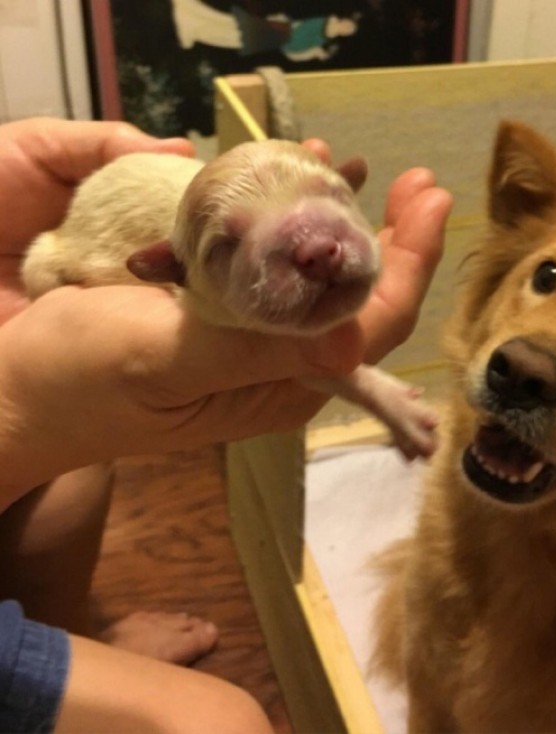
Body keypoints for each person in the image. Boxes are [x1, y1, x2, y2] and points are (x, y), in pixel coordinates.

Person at [0, 117, 452, 733]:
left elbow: (312, 349)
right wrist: (22, 400)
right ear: (172, 272)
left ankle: (77, 633)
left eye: (331, 198)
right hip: (71, 261)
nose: (317, 248)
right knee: (225, 718)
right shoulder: (168, 280)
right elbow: (305, 351)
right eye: (225, 246)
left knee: (66, 491)